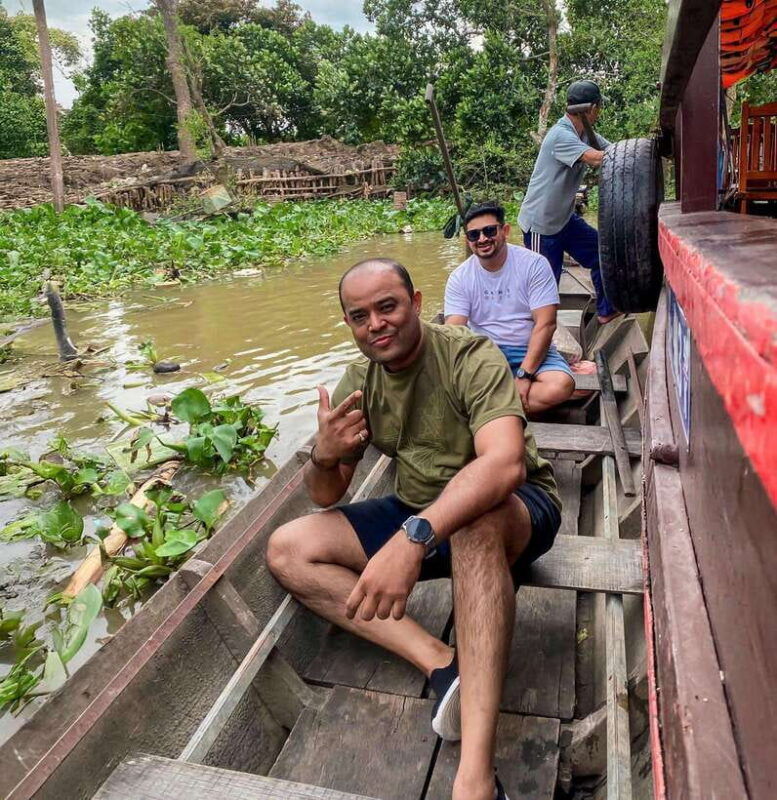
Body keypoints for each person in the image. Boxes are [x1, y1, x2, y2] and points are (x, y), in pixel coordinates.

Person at [266, 258, 562, 800]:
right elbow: (326, 495)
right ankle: (442, 662)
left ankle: (475, 780)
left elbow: (505, 465)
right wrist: (324, 456)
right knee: (289, 548)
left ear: (417, 303)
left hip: (515, 511)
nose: (376, 324)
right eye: (360, 316)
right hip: (418, 508)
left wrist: (412, 538)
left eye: (388, 307)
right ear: (349, 324)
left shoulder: (469, 355)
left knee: (472, 527)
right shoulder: (360, 382)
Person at [444, 201, 575, 416]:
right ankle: (511, 405)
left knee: (560, 386)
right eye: (474, 235)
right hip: (485, 352)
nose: (482, 239)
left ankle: (485, 407)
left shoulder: (534, 265)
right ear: (468, 241)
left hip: (530, 348)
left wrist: (524, 375)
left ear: (504, 231)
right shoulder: (460, 277)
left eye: (489, 231)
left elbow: (546, 324)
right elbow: (454, 331)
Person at [518, 79, 620, 323]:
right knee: (544, 288)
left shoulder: (584, 133)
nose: (599, 112)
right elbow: (597, 158)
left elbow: (614, 151)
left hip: (564, 219)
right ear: (592, 109)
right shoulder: (560, 135)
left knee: (601, 254)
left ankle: (606, 311)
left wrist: (637, 151)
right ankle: (532, 334)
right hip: (541, 226)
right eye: (599, 107)